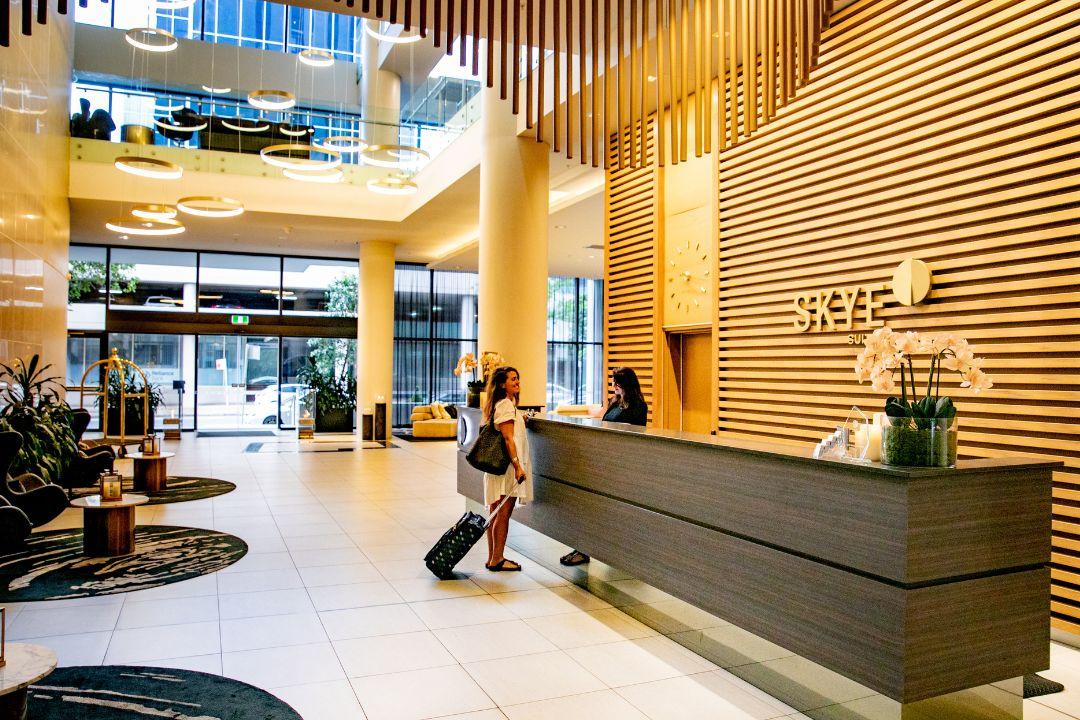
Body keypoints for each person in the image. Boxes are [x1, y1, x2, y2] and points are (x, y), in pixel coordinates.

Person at [560, 367, 648, 567]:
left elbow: (634, 436)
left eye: (615, 383)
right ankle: (583, 548)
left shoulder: (638, 406)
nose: (613, 387)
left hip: (621, 464)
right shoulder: (613, 401)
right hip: (603, 461)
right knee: (590, 507)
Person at [483, 366, 533, 572]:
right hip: (508, 469)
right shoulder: (504, 405)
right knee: (503, 514)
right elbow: (507, 438)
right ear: (502, 384)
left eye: (518, 378)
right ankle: (497, 559)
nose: (517, 381)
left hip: (501, 468)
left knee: (495, 513)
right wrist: (518, 466)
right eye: (512, 379)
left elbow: (509, 429)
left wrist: (522, 419)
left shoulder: (504, 404)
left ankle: (493, 557)